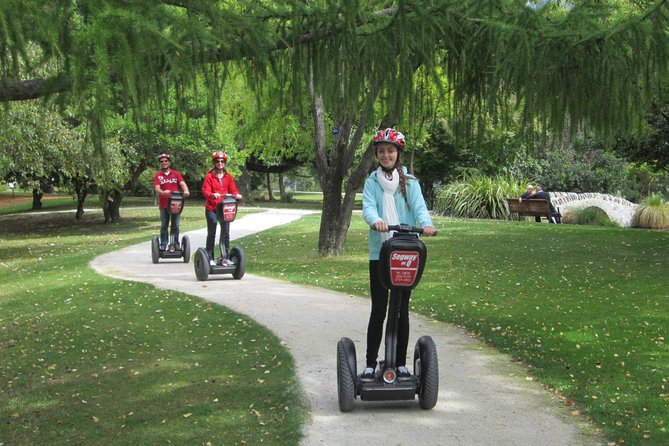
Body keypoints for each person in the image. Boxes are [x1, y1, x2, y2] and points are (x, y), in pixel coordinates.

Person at [361, 128, 436, 381]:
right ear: (377, 154)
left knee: (402, 309)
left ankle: (401, 364)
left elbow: (420, 208)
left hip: (405, 251)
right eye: (381, 151)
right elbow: (368, 207)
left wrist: (426, 225)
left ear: (398, 154)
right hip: (380, 252)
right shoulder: (371, 182)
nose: (386, 155)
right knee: (379, 309)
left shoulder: (411, 183)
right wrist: (377, 220)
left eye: (390, 151)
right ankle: (371, 364)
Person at [201, 150, 242, 266]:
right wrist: (212, 194)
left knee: (226, 233)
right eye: (217, 161)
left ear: (224, 163)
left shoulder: (228, 177)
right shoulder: (209, 176)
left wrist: (236, 194)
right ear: (214, 163)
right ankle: (210, 257)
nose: (220, 163)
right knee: (212, 232)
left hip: (224, 209)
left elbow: (233, 189)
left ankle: (225, 257)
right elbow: (205, 191)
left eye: (222, 161)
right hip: (212, 208)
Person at [153, 152, 190, 250]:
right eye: (162, 161)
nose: (164, 163)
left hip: (176, 203)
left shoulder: (176, 173)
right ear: (160, 163)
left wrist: (186, 191)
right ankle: (163, 244)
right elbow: (157, 188)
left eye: (166, 161)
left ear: (169, 162)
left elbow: (182, 184)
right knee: (164, 224)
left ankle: (175, 243)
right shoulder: (158, 175)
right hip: (164, 204)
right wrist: (163, 192)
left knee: (175, 225)